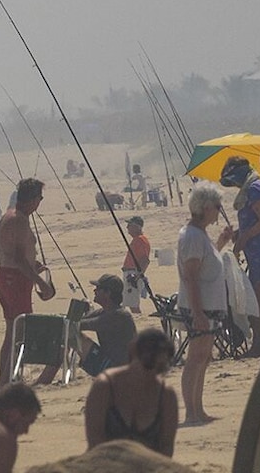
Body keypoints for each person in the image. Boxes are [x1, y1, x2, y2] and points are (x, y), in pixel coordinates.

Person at [176, 183, 232, 425]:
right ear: (206, 208)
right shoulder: (192, 236)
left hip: (208, 304)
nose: (219, 211)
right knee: (196, 357)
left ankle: (199, 410)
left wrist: (221, 241)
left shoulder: (200, 235)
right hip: (198, 306)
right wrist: (198, 312)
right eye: (217, 207)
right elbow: (190, 276)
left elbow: (209, 263)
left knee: (204, 357)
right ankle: (191, 412)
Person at [0, 178, 59, 389]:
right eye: (40, 198)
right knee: (20, 330)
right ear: (32, 200)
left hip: (6, 275)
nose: (39, 202)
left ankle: (4, 380)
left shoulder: (7, 216)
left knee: (11, 330)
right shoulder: (20, 220)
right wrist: (42, 283)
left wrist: (34, 263)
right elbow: (19, 259)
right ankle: (7, 382)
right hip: (15, 279)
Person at [220, 157, 260, 358]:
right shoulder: (255, 186)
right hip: (259, 249)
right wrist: (240, 232)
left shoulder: (254, 190)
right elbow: (256, 220)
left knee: (258, 296)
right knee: (256, 295)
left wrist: (244, 237)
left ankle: (259, 345)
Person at [84, 328, 179, 456]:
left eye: (160, 368)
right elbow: (95, 442)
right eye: (148, 364)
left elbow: (166, 448)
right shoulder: (105, 387)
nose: (149, 374)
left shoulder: (166, 396)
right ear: (134, 354)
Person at [78, 274, 137, 374]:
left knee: (73, 334)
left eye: (98, 288)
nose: (94, 291)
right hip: (112, 363)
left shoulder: (120, 315)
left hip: (119, 370)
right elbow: (84, 319)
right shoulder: (106, 311)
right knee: (69, 329)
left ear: (108, 293)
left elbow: (85, 324)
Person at [120, 216, 152, 315]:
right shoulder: (137, 240)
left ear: (137, 227)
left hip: (133, 274)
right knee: (128, 301)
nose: (127, 227)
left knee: (132, 303)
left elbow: (145, 260)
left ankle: (139, 319)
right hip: (130, 273)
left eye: (130, 225)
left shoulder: (140, 240)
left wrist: (137, 276)